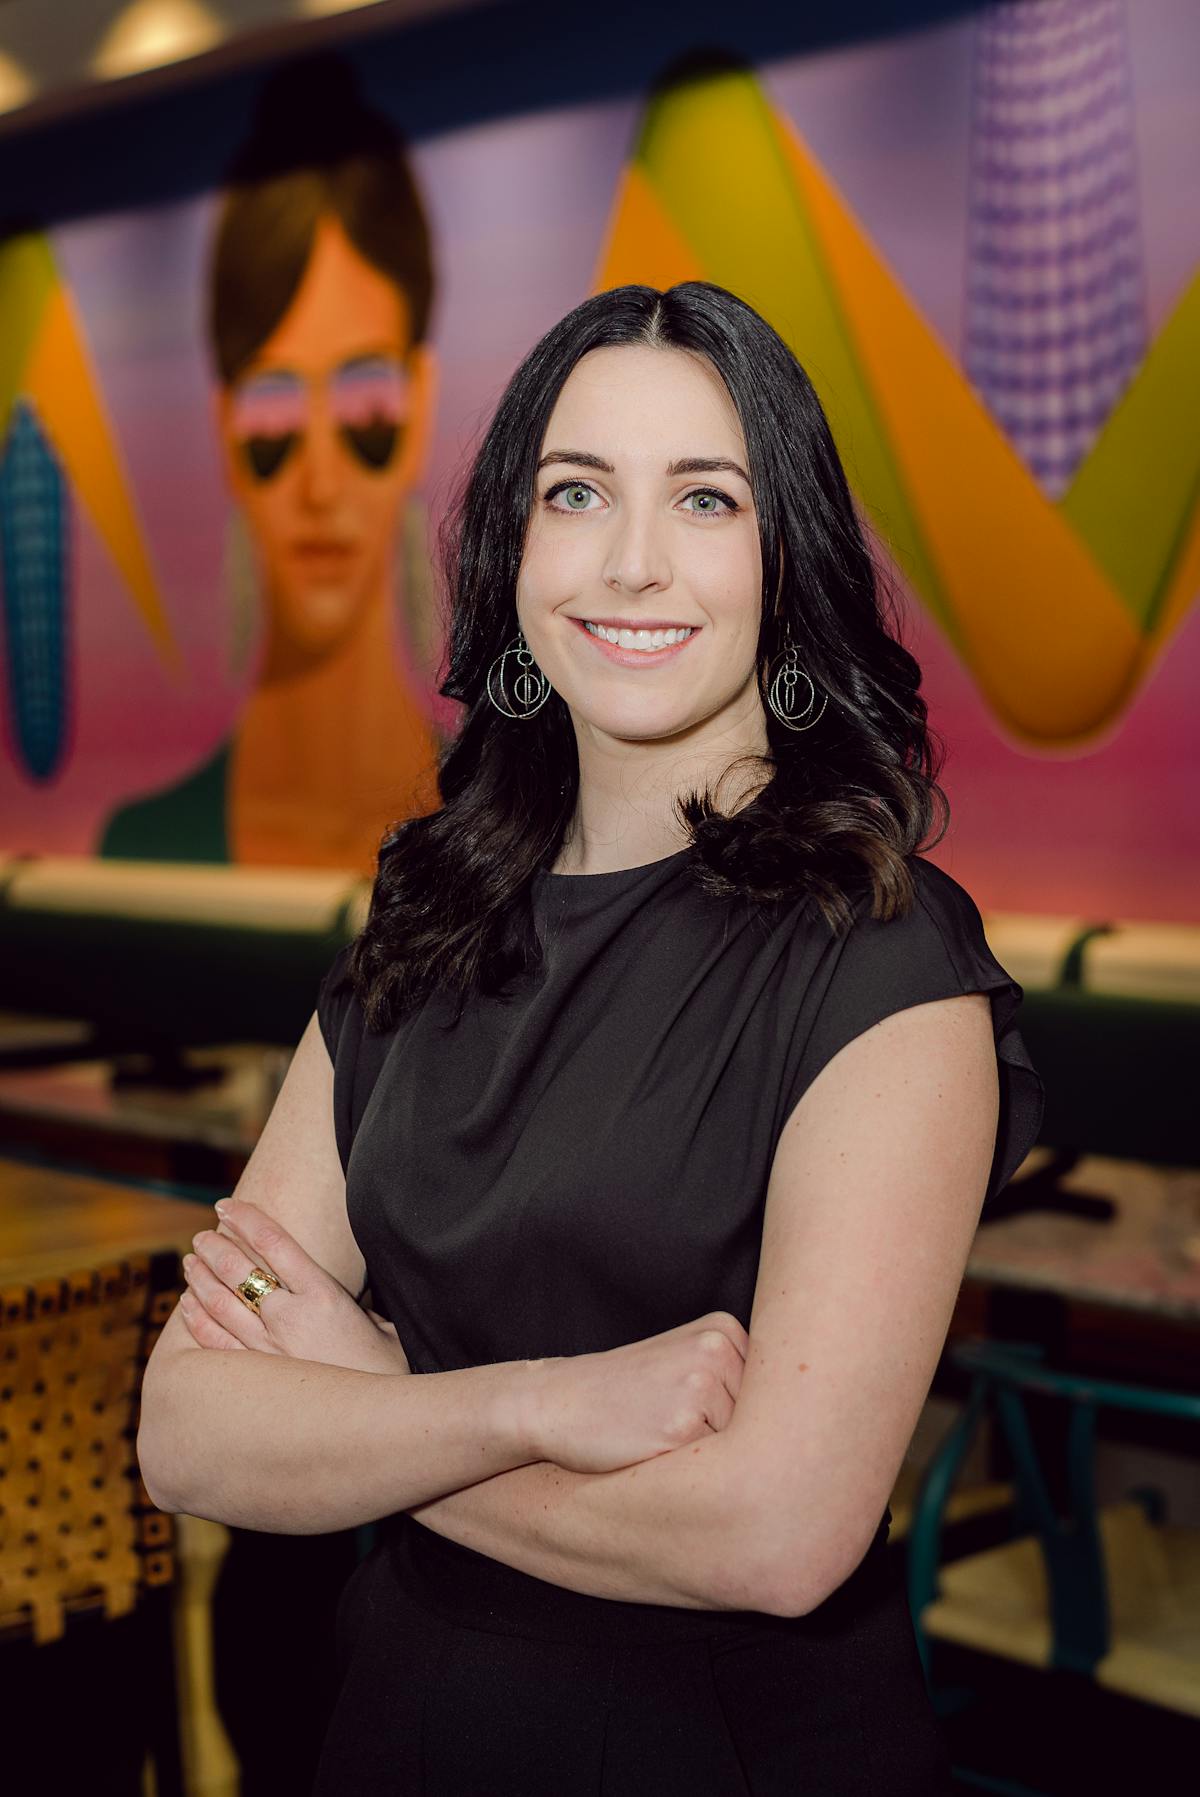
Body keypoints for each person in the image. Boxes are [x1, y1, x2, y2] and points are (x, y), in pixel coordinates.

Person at [137, 280, 1044, 1793]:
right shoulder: (420, 925)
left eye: (705, 497)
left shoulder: (885, 959)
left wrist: (363, 1402)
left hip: (725, 1752)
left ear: (785, 560)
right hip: (400, 1726)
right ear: (515, 552)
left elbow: (774, 1536)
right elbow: (187, 1430)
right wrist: (533, 1403)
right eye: (578, 493)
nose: (633, 562)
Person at [98, 53, 441, 869]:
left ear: (420, 402)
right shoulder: (142, 850)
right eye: (274, 415)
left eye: (364, 410)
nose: (321, 484)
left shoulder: (520, 834)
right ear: (224, 427)